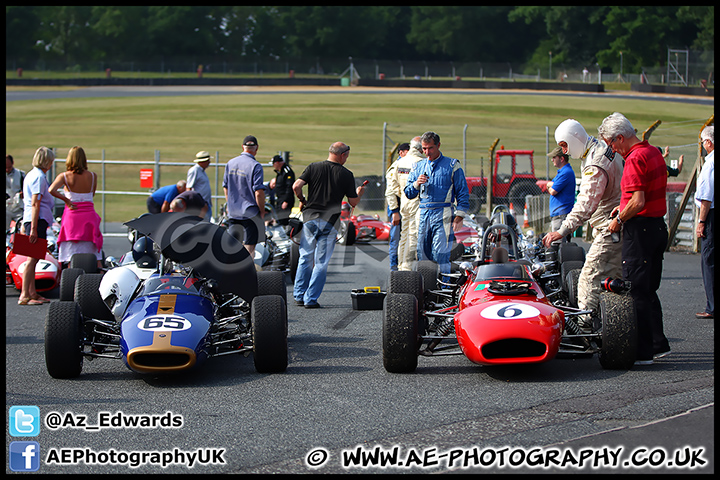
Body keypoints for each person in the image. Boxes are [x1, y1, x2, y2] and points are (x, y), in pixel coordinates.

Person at [602, 112, 670, 366]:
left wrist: (618, 220)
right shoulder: (652, 152)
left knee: (635, 291)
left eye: (611, 144)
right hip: (656, 227)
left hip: (639, 231)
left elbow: (637, 201)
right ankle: (657, 342)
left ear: (620, 138)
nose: (612, 149)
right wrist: (622, 208)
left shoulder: (633, 159)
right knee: (649, 289)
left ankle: (643, 351)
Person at [542, 119, 623, 329]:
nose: (565, 152)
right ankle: (614, 326)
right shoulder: (602, 150)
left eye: (565, 145)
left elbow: (586, 203)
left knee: (588, 278)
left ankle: (585, 329)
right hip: (615, 224)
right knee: (615, 280)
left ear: (574, 139)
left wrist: (562, 230)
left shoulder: (595, 163)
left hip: (610, 227)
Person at [292, 142, 366, 308]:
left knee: (305, 257)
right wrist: (359, 193)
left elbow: (296, 186)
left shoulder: (313, 167)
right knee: (321, 262)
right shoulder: (346, 174)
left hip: (310, 218)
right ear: (343, 155)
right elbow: (353, 202)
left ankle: (298, 294)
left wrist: (303, 200)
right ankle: (310, 299)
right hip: (330, 222)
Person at [404, 131, 470, 275]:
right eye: (424, 149)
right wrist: (416, 184)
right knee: (422, 252)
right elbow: (408, 193)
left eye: (430, 148)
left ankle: (444, 287)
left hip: (443, 212)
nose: (427, 152)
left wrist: (459, 216)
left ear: (438, 145)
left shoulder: (452, 165)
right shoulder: (417, 167)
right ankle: (425, 286)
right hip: (423, 213)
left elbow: (463, 192)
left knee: (441, 253)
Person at [48, 146, 103, 270]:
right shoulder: (92, 176)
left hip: (72, 215)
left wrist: (66, 200)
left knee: (71, 253)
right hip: (89, 214)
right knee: (92, 249)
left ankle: (70, 279)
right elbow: (91, 194)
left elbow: (51, 189)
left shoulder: (64, 176)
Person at [18, 147, 55, 305]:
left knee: (34, 258)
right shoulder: (39, 177)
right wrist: (33, 228)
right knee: (32, 259)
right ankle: (25, 295)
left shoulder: (31, 175)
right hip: (36, 220)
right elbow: (35, 203)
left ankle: (32, 292)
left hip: (36, 220)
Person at [223, 135, 265, 257]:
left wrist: (230, 203)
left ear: (242, 147)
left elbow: (225, 187)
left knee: (233, 245)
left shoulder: (230, 163)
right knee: (250, 246)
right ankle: (246, 272)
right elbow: (258, 192)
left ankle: (232, 271)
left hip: (233, 211)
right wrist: (261, 211)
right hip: (250, 212)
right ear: (256, 148)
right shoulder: (255, 166)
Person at [387, 139, 423, 271]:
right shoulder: (421, 162)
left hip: (404, 202)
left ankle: (401, 265)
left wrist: (403, 194)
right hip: (417, 202)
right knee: (414, 235)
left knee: (404, 235)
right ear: (421, 149)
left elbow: (392, 185)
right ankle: (408, 267)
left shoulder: (399, 162)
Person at [694, 126, 714, 319]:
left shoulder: (710, 164)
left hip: (711, 215)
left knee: (708, 260)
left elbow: (706, 197)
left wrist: (701, 221)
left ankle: (712, 306)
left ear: (708, 143)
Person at [385, 142, 410, 271]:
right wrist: (395, 211)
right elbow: (390, 192)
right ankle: (394, 267)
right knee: (396, 238)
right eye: (408, 151)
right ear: (401, 152)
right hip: (397, 208)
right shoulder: (396, 167)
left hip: (408, 207)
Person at [546, 145, 576, 244]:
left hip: (561, 215)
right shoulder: (562, 172)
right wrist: (551, 184)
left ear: (562, 158)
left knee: (557, 243)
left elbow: (553, 191)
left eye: (554, 157)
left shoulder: (566, 172)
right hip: (558, 214)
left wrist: (549, 184)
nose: (552, 160)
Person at [187, 150, 213, 221]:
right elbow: (189, 188)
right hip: (199, 205)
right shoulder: (194, 170)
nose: (209, 162)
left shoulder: (202, 171)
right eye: (208, 161)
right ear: (203, 162)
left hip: (206, 203)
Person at [271, 154, 295, 223]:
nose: (273, 166)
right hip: (280, 199)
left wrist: (286, 201)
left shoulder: (287, 172)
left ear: (277, 163)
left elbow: (289, 187)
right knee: (278, 218)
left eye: (274, 164)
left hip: (284, 200)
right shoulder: (280, 172)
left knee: (283, 219)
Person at [6, 154, 25, 230]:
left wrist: (23, 194)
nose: (7, 170)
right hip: (6, 208)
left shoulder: (21, 174)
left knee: (23, 227)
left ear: (13, 163)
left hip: (18, 208)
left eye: (9, 167)